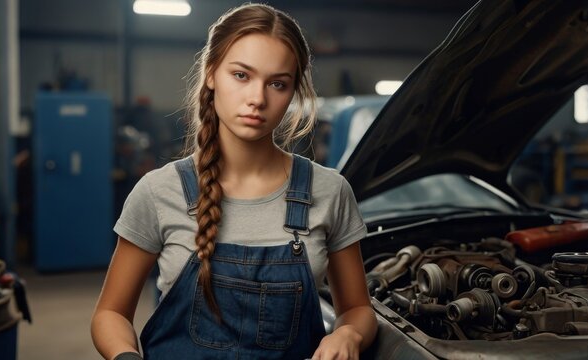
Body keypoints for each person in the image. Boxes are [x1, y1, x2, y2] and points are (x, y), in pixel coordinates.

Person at [91, 3, 377, 360]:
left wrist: (348, 334)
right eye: (241, 75)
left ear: (292, 91)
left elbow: (358, 309)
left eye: (277, 83)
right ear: (211, 73)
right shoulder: (158, 192)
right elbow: (110, 313)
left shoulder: (330, 192)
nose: (257, 99)